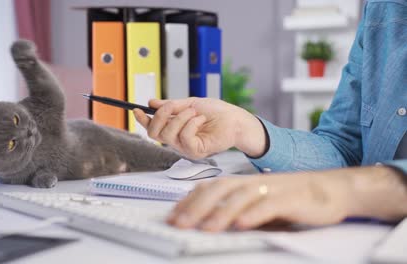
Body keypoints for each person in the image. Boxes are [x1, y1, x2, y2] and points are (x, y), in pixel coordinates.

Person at [133, 0, 407, 232]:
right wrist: (244, 129)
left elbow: (343, 181)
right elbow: (344, 149)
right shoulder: (382, 8)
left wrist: (342, 191)